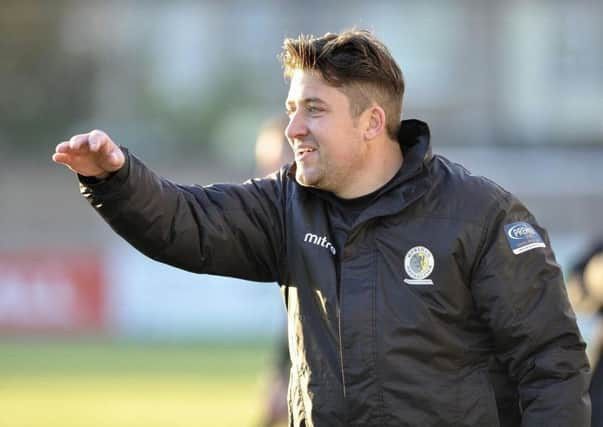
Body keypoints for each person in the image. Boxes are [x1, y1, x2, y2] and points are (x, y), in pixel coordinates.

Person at [52, 30, 590, 426]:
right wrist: (117, 179)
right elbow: (186, 221)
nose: (293, 128)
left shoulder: (481, 216)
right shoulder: (285, 206)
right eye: (291, 108)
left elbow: (551, 362)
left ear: (372, 122)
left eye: (314, 109)